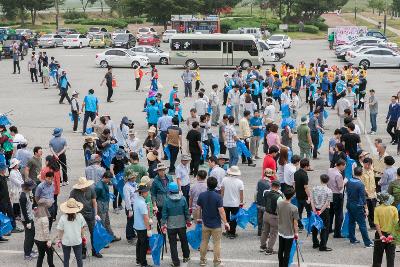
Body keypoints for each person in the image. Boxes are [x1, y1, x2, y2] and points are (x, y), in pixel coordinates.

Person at [197, 177, 230, 267]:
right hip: (216, 225)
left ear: (207, 184)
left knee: (204, 242)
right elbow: (221, 211)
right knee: (217, 244)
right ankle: (216, 262)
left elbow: (198, 208)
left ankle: (202, 261)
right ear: (216, 186)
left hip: (205, 223)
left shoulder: (202, 195)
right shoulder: (218, 197)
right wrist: (226, 222)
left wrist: (198, 219)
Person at [69, 177, 102, 258]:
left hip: (90, 213)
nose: (84, 188)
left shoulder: (91, 189)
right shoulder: (73, 192)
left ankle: (95, 250)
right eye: (82, 187)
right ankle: (83, 251)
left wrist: (96, 213)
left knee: (93, 233)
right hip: (79, 215)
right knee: (81, 234)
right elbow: (70, 203)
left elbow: (94, 202)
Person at [161, 182, 191, 267]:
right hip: (181, 224)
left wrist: (163, 224)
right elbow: (186, 211)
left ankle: (175, 262)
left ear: (169, 191)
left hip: (171, 226)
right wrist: (188, 220)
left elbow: (164, 214)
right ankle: (186, 256)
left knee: (173, 244)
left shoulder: (167, 201)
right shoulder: (183, 199)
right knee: (184, 241)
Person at [346, 167, 373, 247]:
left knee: (351, 222)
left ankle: (352, 239)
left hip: (349, 203)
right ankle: (367, 243)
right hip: (357, 205)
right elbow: (363, 198)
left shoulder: (349, 181)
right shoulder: (360, 184)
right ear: (361, 174)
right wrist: (366, 208)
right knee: (362, 224)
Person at [56, 198, 86, 267]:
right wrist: (82, 236)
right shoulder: (80, 216)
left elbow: (60, 230)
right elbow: (83, 228)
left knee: (66, 259)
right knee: (79, 259)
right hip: (77, 240)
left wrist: (59, 239)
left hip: (66, 241)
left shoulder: (63, 218)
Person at [372, 192, 398, 267]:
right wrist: (392, 235)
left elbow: (376, 224)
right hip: (391, 235)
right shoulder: (394, 209)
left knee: (377, 257)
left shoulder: (377, 209)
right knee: (390, 257)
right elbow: (396, 224)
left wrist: (381, 235)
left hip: (380, 235)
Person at [95, 171, 121, 242]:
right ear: (104, 177)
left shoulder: (104, 183)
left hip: (105, 206)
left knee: (107, 222)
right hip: (101, 206)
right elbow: (95, 198)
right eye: (109, 179)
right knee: (102, 224)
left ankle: (111, 236)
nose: (110, 181)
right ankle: (103, 240)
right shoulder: (99, 187)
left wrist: (108, 195)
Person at [277, 187, 299, 267]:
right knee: (287, 252)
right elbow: (295, 222)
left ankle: (280, 265)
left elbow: (278, 214)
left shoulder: (279, 204)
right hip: (289, 232)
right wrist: (296, 233)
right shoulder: (294, 208)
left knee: (280, 250)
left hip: (281, 230)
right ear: (293, 196)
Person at [260, 179, 283, 254]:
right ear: (279, 187)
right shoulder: (279, 197)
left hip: (266, 214)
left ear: (271, 186)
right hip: (274, 216)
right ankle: (269, 250)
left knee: (265, 231)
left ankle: (262, 246)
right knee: (273, 234)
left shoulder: (266, 193)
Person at [310, 174, 333, 251]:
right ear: (328, 181)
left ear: (320, 180)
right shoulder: (329, 191)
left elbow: (312, 200)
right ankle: (323, 245)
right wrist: (320, 211)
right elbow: (327, 203)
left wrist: (314, 210)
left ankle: (315, 243)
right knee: (324, 228)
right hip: (324, 211)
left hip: (315, 209)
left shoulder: (314, 188)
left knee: (315, 227)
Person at [221, 166, 244, 239]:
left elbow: (222, 192)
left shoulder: (224, 180)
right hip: (235, 203)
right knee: (234, 218)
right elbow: (241, 194)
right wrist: (241, 202)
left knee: (226, 218)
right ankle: (233, 233)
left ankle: (227, 231)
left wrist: (220, 200)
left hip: (225, 202)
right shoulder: (240, 182)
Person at [151, 163, 173, 232]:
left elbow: (173, 188)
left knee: (170, 220)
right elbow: (153, 194)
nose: (162, 171)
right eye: (160, 170)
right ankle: (161, 235)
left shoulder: (169, 177)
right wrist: (154, 206)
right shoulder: (155, 181)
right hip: (160, 204)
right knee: (160, 221)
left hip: (169, 202)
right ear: (157, 171)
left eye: (163, 170)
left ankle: (172, 234)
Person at [133, 183, 152, 267]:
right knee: (143, 245)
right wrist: (148, 229)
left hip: (137, 225)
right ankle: (143, 263)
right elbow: (145, 218)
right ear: (142, 193)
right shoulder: (142, 203)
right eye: (146, 192)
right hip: (142, 227)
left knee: (139, 243)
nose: (147, 193)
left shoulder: (136, 200)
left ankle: (138, 260)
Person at [327, 159, 346, 238]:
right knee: (338, 214)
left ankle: (329, 228)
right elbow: (340, 186)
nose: (344, 167)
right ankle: (337, 233)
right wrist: (344, 182)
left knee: (330, 213)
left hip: (329, 193)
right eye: (344, 166)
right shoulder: (339, 175)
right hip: (337, 195)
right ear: (341, 165)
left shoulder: (330, 170)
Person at [34, 198, 55, 267]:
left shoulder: (36, 215)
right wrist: (48, 240)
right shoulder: (44, 218)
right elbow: (46, 231)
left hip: (37, 239)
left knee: (41, 255)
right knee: (50, 254)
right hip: (43, 240)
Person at [19, 179, 37, 260]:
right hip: (26, 219)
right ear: (27, 187)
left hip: (31, 217)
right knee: (28, 237)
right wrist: (27, 222)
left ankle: (29, 250)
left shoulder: (29, 192)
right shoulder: (22, 196)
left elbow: (31, 201)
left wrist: (34, 207)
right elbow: (24, 211)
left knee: (32, 235)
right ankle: (27, 254)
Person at [294, 158, 312, 230]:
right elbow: (306, 187)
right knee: (309, 211)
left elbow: (294, 184)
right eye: (308, 166)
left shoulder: (296, 173)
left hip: (298, 195)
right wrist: (309, 196)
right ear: (305, 167)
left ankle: (300, 225)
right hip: (304, 197)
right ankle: (309, 225)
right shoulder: (304, 175)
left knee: (299, 211)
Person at [361, 157, 378, 229]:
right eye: (366, 164)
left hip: (373, 194)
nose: (367, 166)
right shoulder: (361, 172)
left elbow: (373, 182)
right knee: (365, 210)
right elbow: (362, 184)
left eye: (369, 164)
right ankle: (363, 224)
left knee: (373, 210)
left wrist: (374, 191)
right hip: (365, 195)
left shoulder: (371, 170)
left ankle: (373, 224)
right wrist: (366, 193)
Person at [123, 169, 138, 244]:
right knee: (130, 222)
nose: (135, 178)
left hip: (135, 204)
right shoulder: (126, 187)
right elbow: (127, 199)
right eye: (133, 177)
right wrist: (129, 209)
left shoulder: (134, 184)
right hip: (130, 206)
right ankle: (129, 237)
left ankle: (132, 234)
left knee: (133, 221)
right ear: (130, 178)